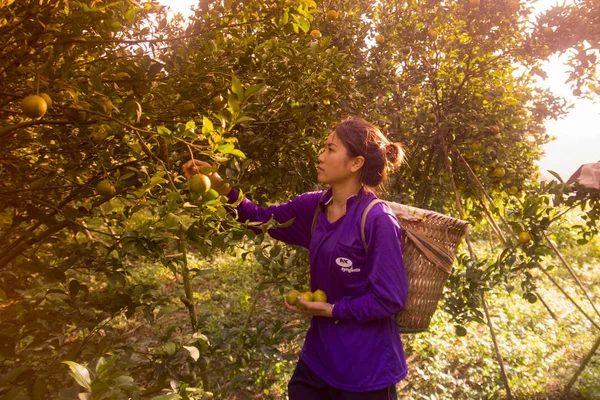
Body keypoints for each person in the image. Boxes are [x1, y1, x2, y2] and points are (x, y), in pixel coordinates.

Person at [183, 116, 409, 399]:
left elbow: (390, 298)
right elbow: (260, 219)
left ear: (356, 163)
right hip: (319, 360)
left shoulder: (377, 220)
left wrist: (330, 310)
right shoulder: (314, 207)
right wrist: (219, 186)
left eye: (330, 149)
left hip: (367, 371)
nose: (320, 156)